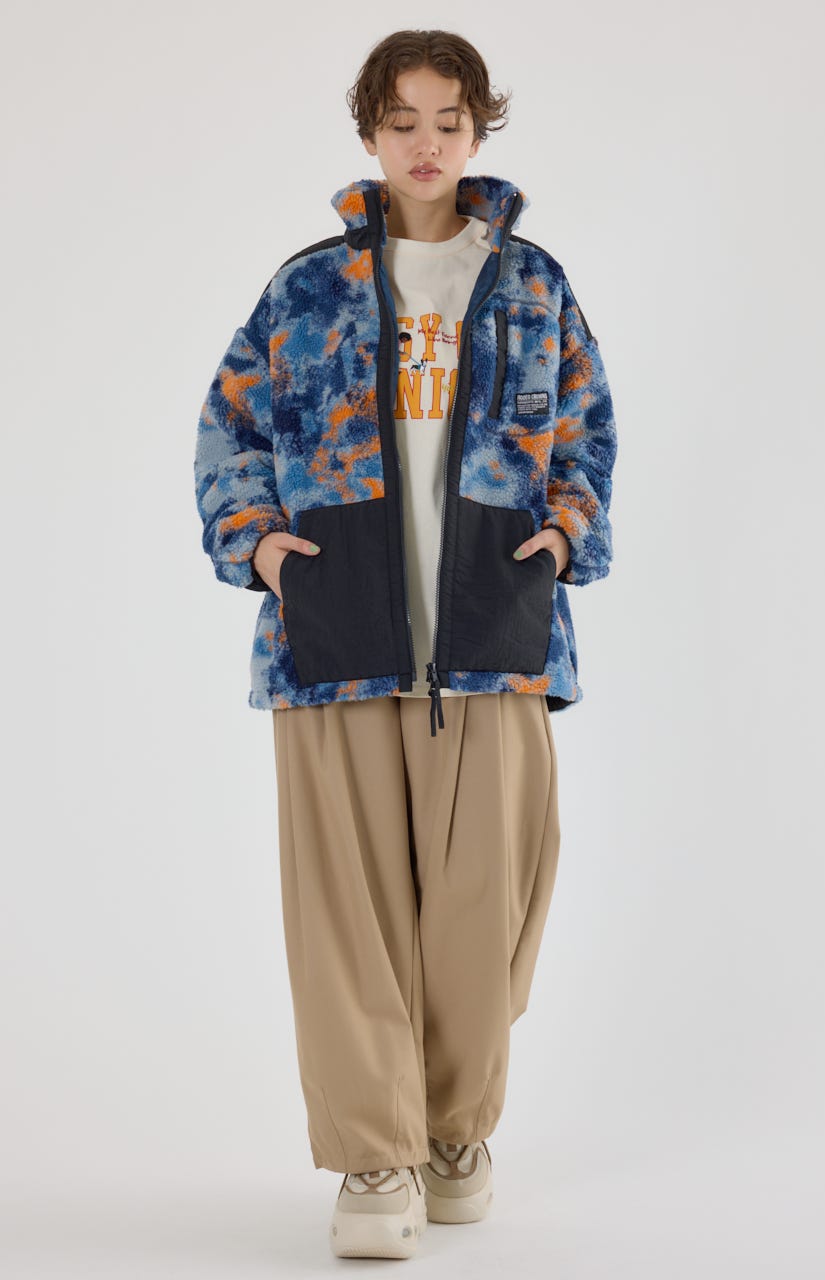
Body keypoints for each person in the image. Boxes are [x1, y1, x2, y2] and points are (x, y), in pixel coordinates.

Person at [194, 27, 617, 1262]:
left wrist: (563, 535)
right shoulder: (306, 287)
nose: (425, 144)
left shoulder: (532, 282)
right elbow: (228, 429)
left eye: (448, 120)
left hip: (494, 631)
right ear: (369, 131)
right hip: (335, 633)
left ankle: (450, 1130)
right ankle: (374, 1156)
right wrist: (259, 547)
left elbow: (587, 432)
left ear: (479, 128)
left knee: (491, 900)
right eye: (401, 121)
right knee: (347, 912)